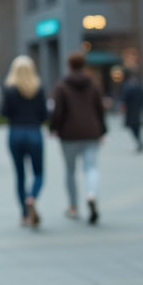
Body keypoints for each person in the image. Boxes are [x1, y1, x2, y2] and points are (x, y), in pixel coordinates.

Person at [50, 51, 106, 224]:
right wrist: (103, 131)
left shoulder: (62, 86)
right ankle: (91, 194)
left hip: (69, 135)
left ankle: (73, 206)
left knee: (70, 171)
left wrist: (53, 128)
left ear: (69, 65)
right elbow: (100, 110)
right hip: (91, 132)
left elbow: (57, 111)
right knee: (91, 167)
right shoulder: (93, 84)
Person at [3, 56, 47, 227]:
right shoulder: (39, 88)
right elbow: (44, 114)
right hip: (34, 132)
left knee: (20, 175)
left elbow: (5, 112)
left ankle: (24, 214)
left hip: (15, 133)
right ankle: (32, 197)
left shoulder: (10, 90)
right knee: (39, 173)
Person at [119, 70, 143, 152]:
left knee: (133, 126)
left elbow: (124, 99)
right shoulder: (139, 87)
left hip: (131, 110)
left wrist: (123, 108)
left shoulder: (128, 87)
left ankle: (139, 141)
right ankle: (139, 141)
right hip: (137, 109)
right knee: (136, 126)